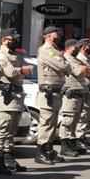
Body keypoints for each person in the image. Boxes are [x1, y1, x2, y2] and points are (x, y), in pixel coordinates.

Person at [0, 28, 32, 173]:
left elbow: (28, 71)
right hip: (7, 96)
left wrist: (22, 70)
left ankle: (8, 158)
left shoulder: (14, 55)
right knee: (4, 129)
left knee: (12, 130)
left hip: (17, 95)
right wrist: (22, 70)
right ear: (4, 40)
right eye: (12, 39)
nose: (15, 41)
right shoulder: (1, 55)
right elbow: (11, 73)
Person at [35, 26, 69, 164]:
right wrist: (64, 65)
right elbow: (64, 66)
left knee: (53, 124)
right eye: (56, 35)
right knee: (46, 124)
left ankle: (48, 150)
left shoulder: (55, 51)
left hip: (56, 92)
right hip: (48, 93)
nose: (59, 37)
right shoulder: (45, 50)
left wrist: (64, 64)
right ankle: (40, 152)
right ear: (48, 36)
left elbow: (66, 65)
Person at [59, 38, 90, 156]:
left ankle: (72, 142)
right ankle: (64, 146)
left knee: (75, 121)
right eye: (75, 47)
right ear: (69, 48)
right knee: (68, 120)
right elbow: (80, 73)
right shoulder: (66, 59)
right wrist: (86, 70)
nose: (77, 49)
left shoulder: (75, 59)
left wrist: (86, 70)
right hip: (71, 93)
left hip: (79, 93)